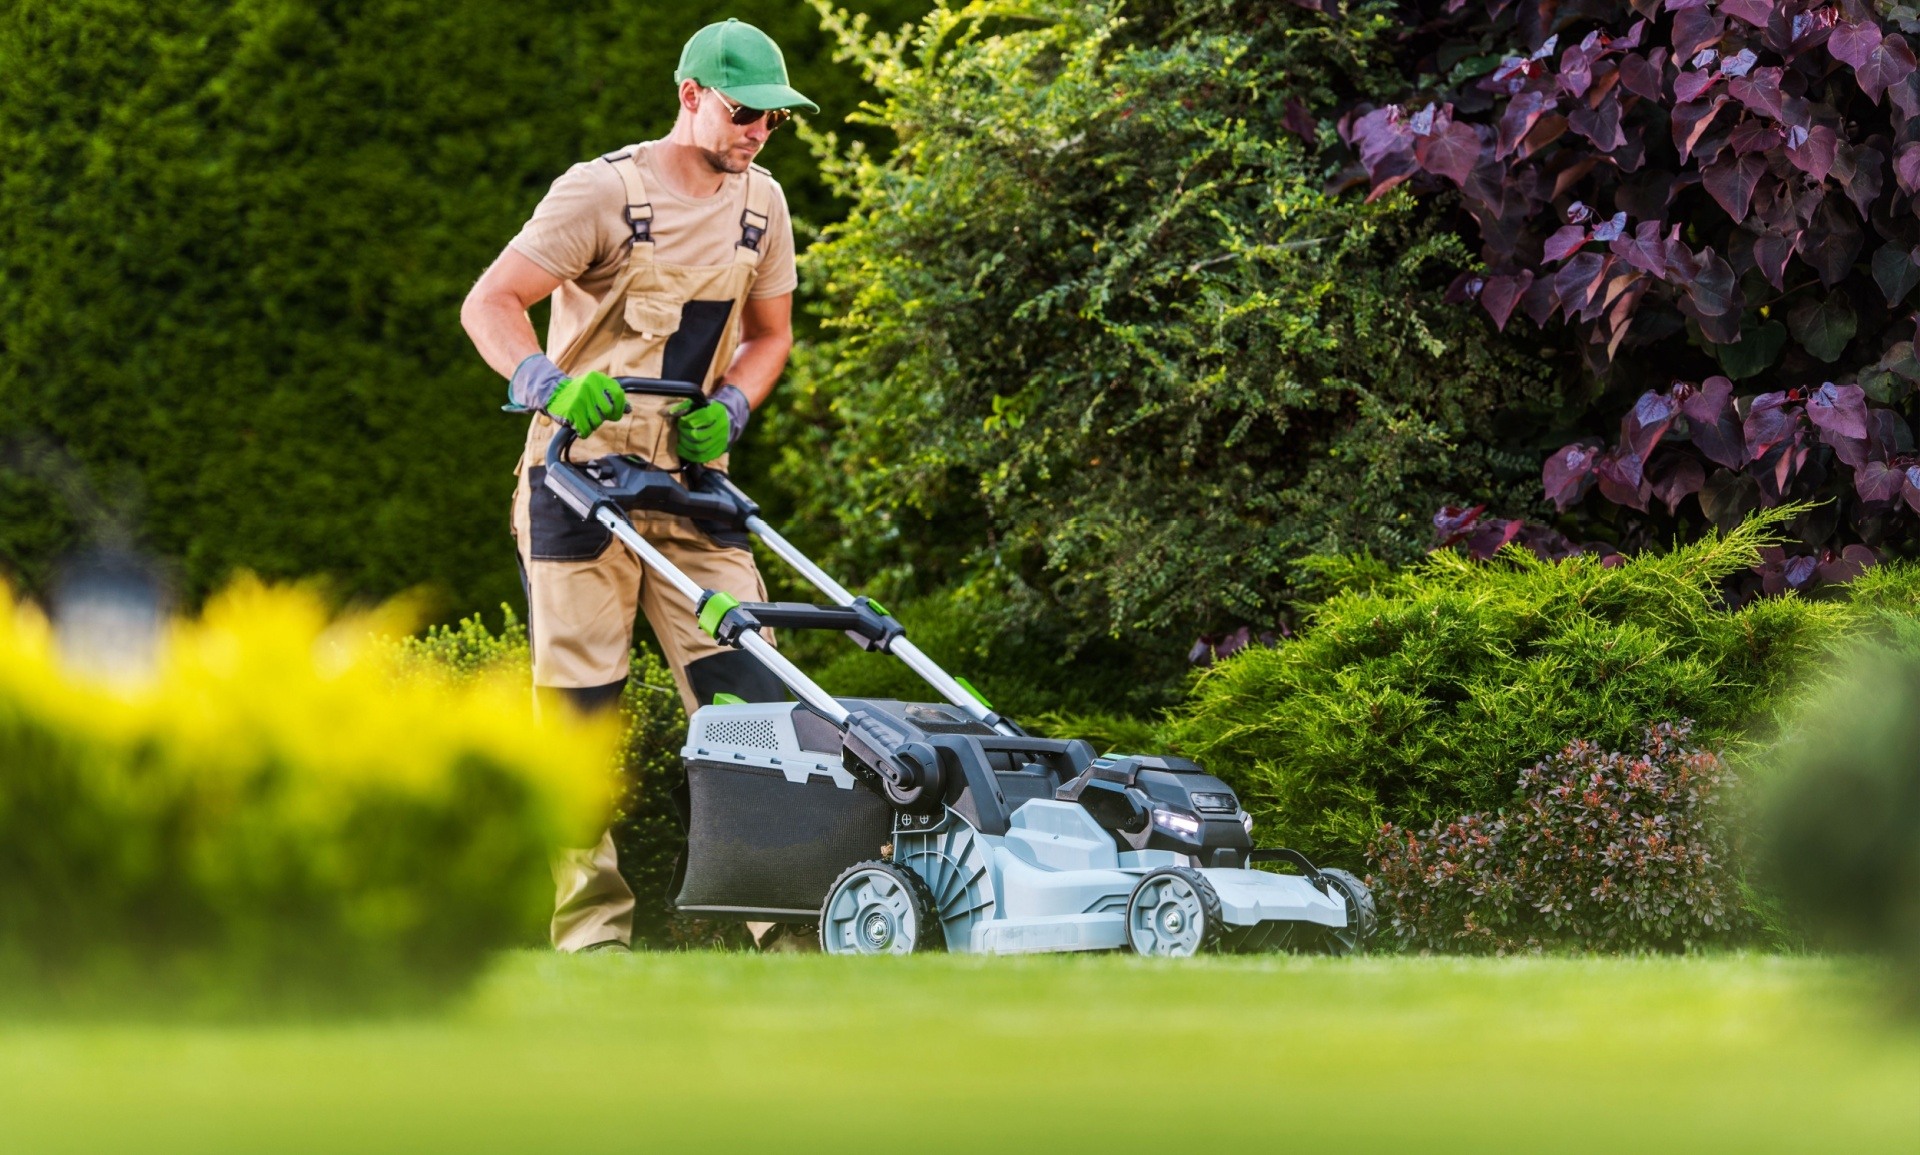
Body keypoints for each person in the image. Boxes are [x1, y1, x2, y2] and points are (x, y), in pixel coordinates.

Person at [460, 19, 815, 953]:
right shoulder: (602, 193)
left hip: (691, 483)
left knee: (751, 698)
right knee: (580, 712)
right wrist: (546, 384)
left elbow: (770, 335)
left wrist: (733, 408)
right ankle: (593, 937)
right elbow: (489, 301)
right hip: (578, 477)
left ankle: (781, 926)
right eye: (745, 114)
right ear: (693, 94)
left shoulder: (762, 205)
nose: (757, 136)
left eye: (774, 122)